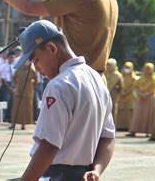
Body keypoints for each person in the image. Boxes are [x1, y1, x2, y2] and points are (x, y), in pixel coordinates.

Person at [14, 20, 115, 181]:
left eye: (36, 61)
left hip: (57, 175)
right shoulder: (97, 79)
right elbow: (108, 137)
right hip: (83, 174)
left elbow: (49, 146)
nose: (37, 69)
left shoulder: (59, 85)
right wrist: (96, 171)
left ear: (52, 48)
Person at [127, 63, 155, 137]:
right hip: (140, 99)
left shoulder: (154, 79)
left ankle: (148, 131)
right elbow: (136, 87)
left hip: (149, 99)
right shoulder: (140, 78)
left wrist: (147, 94)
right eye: (146, 69)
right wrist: (140, 93)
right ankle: (133, 131)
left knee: (148, 115)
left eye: (149, 69)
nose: (147, 71)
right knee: (137, 114)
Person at [11, 61, 38, 130]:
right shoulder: (19, 69)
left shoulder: (32, 70)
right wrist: (17, 85)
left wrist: (31, 86)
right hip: (19, 92)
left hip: (27, 93)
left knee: (25, 109)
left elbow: (36, 81)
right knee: (16, 109)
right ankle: (13, 124)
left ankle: (23, 125)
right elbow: (14, 78)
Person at [116, 62, 137, 131]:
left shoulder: (133, 77)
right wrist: (121, 91)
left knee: (129, 111)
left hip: (130, 96)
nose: (127, 69)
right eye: (126, 67)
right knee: (120, 111)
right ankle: (119, 126)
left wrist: (126, 92)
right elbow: (118, 84)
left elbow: (133, 87)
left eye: (128, 68)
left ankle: (128, 126)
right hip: (121, 96)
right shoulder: (121, 76)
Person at [105, 58, 123, 122]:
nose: (108, 66)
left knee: (112, 111)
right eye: (107, 65)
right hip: (103, 94)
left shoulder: (118, 75)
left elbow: (121, 87)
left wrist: (117, 94)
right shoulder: (103, 73)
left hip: (113, 95)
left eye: (109, 65)